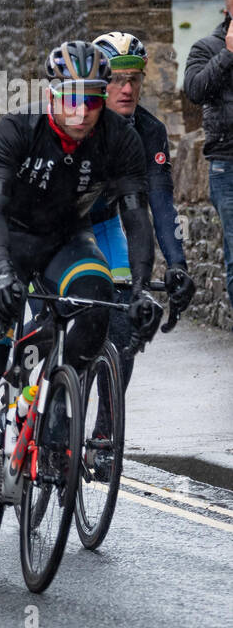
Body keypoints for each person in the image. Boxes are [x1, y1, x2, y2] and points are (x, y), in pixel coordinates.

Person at [0, 41, 162, 544]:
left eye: (92, 98)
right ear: (51, 94)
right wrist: (2, 273)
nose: (82, 111)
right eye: (71, 98)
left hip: (69, 240)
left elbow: (136, 217)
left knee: (95, 302)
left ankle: (54, 415)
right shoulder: (18, 130)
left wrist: (145, 288)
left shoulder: (118, 138)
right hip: (9, 241)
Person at [88, 32, 194, 389]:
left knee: (125, 321)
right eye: (117, 79)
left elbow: (161, 204)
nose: (127, 89)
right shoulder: (79, 124)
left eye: (133, 79)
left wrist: (177, 265)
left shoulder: (150, 131)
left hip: (104, 225)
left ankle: (105, 429)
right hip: (59, 229)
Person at [182, 0, 233, 317]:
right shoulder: (206, 47)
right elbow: (195, 90)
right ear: (228, 11)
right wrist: (228, 54)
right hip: (226, 164)